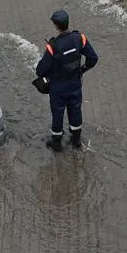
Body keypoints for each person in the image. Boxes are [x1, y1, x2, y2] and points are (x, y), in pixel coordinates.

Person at [35, 9, 98, 150]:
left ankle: (57, 142)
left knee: (57, 112)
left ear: (56, 25)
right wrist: (82, 69)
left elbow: (40, 70)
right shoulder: (80, 38)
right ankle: (76, 140)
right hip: (75, 83)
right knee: (75, 109)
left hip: (58, 87)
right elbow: (93, 58)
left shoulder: (52, 47)